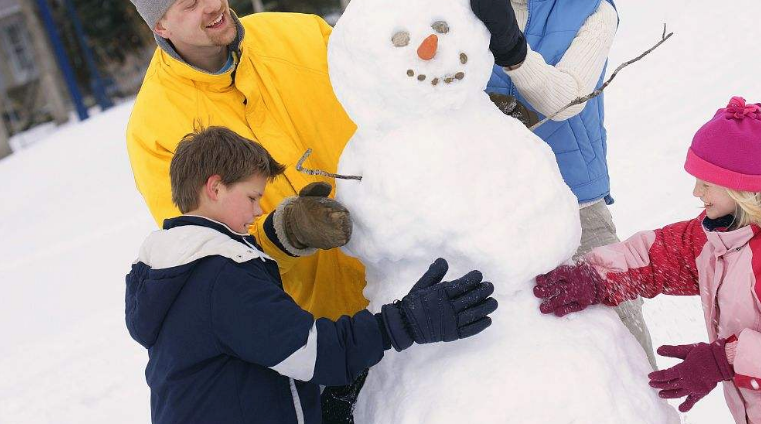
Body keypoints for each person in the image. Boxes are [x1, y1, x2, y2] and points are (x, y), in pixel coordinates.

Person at [122, 0, 368, 418]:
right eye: (190, 2)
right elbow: (204, 253)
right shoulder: (155, 128)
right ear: (160, 25)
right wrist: (283, 234)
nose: (213, 5)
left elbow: (395, 91)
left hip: (403, 274)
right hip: (311, 337)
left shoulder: (300, 35)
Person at [533, 97, 761, 423]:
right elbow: (658, 258)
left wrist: (721, 361)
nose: (696, 193)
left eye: (706, 183)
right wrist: (596, 277)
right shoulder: (721, 236)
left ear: (740, 186)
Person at [125, 126, 497, 424]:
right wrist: (406, 322)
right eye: (253, 197)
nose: (258, 212)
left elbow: (245, 368)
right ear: (215, 187)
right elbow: (312, 353)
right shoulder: (219, 276)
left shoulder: (172, 268)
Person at [445, 0, 655, 366]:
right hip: (487, 205)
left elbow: (565, 101)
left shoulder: (594, 10)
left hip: (576, 203)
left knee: (625, 339)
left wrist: (513, 51)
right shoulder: (453, 0)